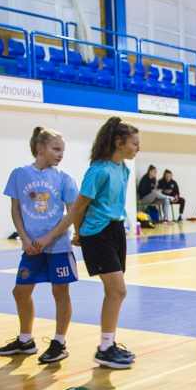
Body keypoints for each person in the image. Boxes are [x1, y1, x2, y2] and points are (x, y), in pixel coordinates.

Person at [0, 127, 79, 363]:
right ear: (40, 148)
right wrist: (24, 238)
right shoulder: (19, 174)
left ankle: (59, 342)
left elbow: (72, 213)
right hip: (31, 246)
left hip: (58, 245)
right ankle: (25, 340)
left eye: (62, 150)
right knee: (21, 291)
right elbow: (15, 210)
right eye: (56, 149)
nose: (60, 154)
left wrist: (49, 237)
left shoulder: (64, 178)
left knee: (60, 292)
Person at [69, 117, 139, 370]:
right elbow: (79, 206)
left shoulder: (124, 169)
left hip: (115, 230)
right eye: (134, 143)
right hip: (96, 234)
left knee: (115, 292)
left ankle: (108, 344)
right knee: (118, 290)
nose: (137, 148)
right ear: (119, 142)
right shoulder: (98, 170)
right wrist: (78, 233)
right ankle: (104, 349)